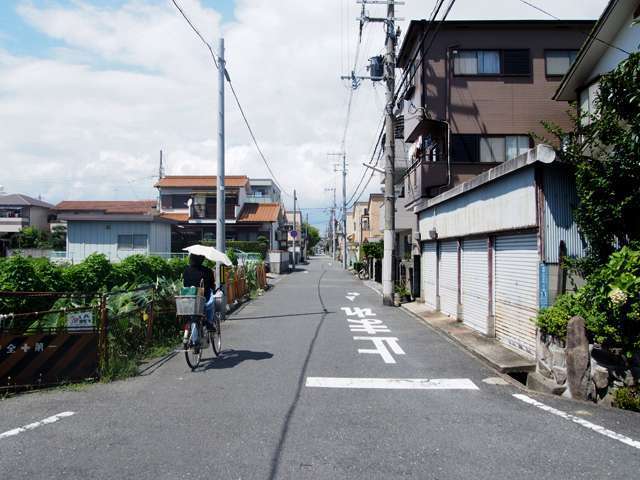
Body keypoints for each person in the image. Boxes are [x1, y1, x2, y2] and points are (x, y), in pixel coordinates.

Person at [183, 254, 216, 330]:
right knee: (211, 300)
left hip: (189, 298)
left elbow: (185, 283)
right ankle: (209, 322)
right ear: (202, 260)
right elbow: (211, 285)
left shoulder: (186, 270)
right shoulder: (207, 271)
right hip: (203, 298)